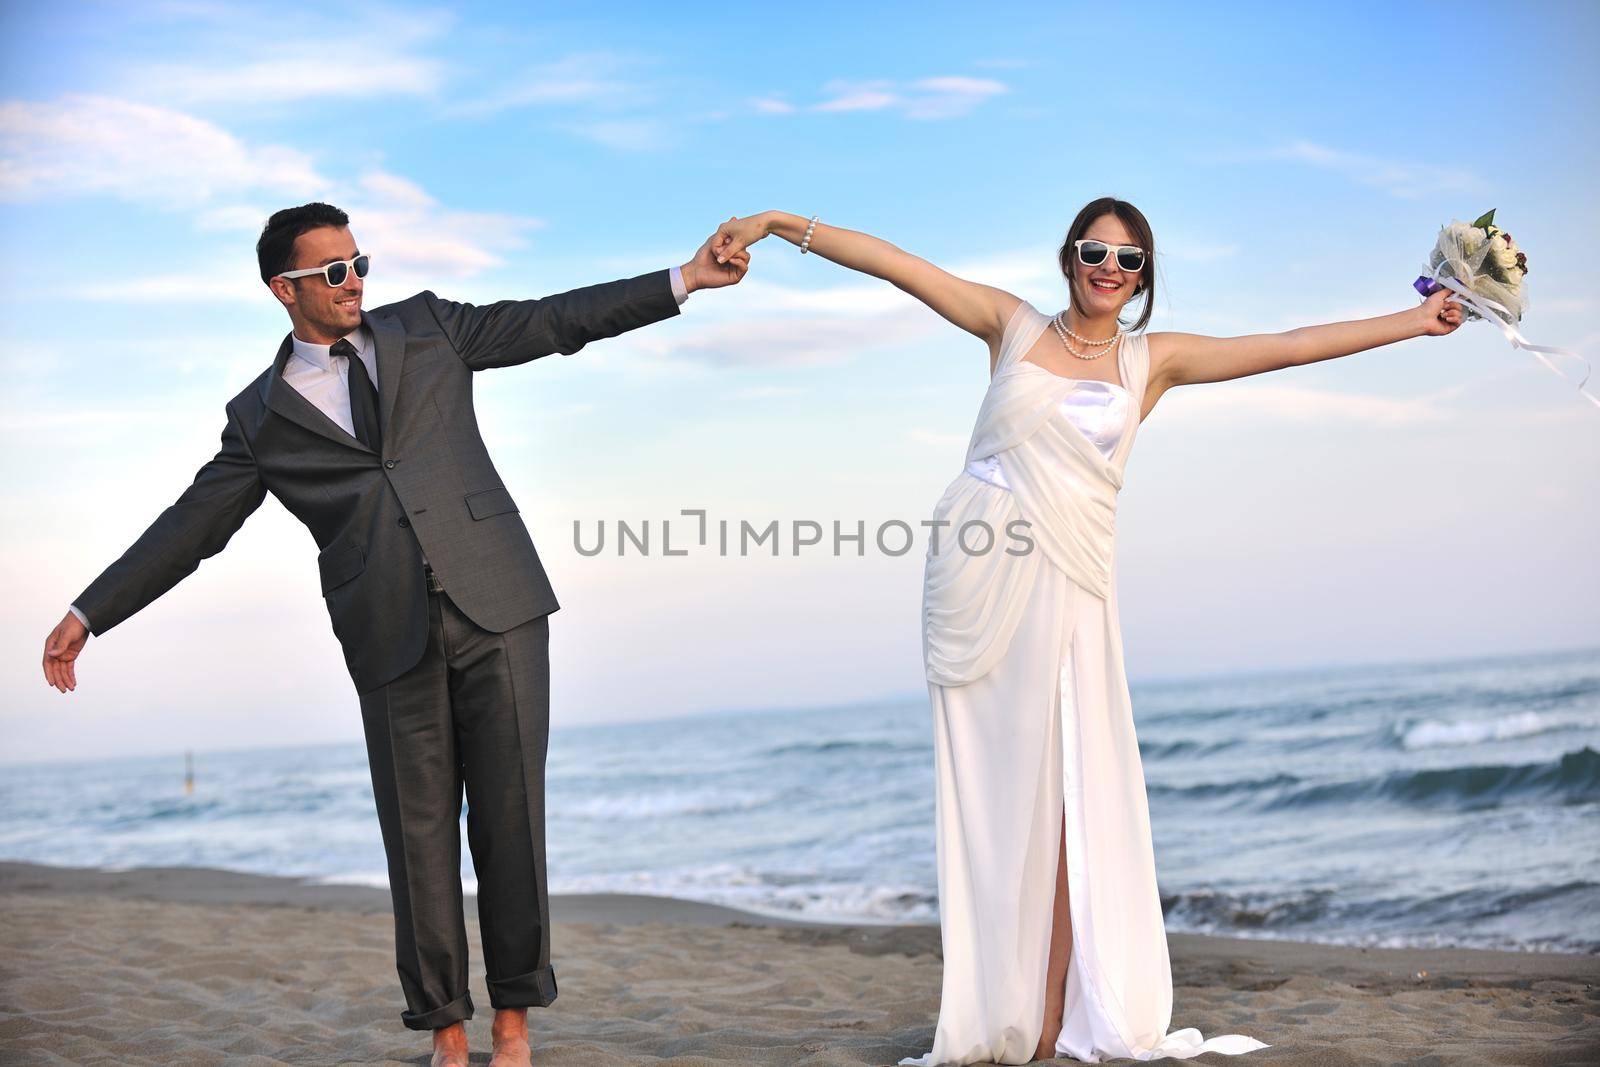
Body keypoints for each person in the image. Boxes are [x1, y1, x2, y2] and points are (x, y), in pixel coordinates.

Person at [710, 199, 1463, 1065]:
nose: (1111, 267)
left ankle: (1050, 1009)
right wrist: (774, 224)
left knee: (1067, 798)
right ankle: (1000, 998)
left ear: (1144, 276)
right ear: (1069, 256)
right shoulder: (1008, 323)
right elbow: (895, 264)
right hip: (978, 579)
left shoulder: (1154, 362)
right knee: (999, 798)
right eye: (1096, 250)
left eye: (1130, 258)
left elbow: (1288, 346)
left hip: (1071, 587)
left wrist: (1414, 320)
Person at [40, 202, 750, 1067]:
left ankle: (514, 1027)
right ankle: (448, 1034)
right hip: (387, 634)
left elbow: (554, 320)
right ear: (284, 289)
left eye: (358, 261)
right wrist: (90, 610)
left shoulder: (428, 327)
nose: (354, 282)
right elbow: (191, 526)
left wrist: (683, 281)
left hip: (499, 603)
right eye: (332, 271)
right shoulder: (260, 417)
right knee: (417, 844)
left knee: (511, 824)